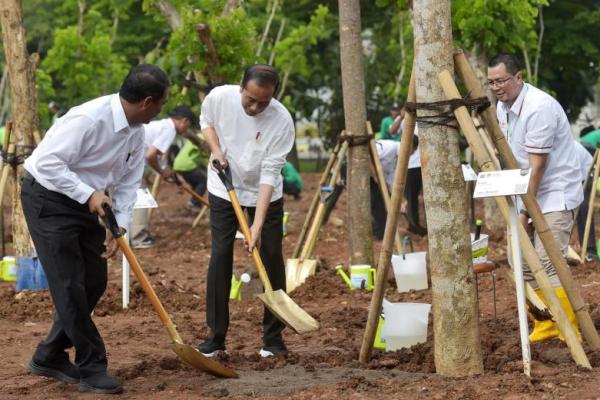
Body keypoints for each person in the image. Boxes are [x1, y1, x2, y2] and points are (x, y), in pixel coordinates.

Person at [21, 64, 169, 394]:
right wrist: (88, 193)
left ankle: (49, 355)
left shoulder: (136, 131)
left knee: (94, 280)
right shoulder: (88, 119)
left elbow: (130, 182)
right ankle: (92, 366)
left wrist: (122, 226)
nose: (162, 109)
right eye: (162, 102)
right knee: (69, 284)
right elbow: (46, 163)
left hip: (88, 201)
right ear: (147, 101)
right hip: (48, 198)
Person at [198, 64, 295, 358]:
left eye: (263, 102)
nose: (255, 107)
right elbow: (207, 122)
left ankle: (273, 339)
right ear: (241, 88)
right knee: (221, 255)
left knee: (271, 258)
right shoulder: (219, 97)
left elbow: (270, 173)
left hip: (265, 194)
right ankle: (215, 338)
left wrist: (257, 225)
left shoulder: (281, 121)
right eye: (250, 99)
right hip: (223, 187)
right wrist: (216, 151)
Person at [488, 53, 582, 342]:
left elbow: (538, 166)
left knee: (548, 260)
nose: (496, 88)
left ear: (519, 77)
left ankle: (568, 329)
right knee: (521, 263)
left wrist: (524, 211)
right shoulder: (502, 108)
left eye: (501, 80)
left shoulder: (539, 108)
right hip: (525, 189)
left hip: (554, 191)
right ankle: (545, 325)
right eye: (491, 82)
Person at [130, 105, 198, 249]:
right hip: (131, 167)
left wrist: (174, 177)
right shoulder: (169, 130)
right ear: (184, 121)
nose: (186, 130)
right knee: (141, 198)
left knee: (124, 200)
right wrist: (161, 172)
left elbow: (160, 160)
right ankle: (139, 238)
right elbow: (151, 156)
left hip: (125, 163)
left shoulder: (161, 126)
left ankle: (123, 235)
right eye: (188, 126)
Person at [173, 131, 211, 210]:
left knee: (196, 184)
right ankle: (193, 202)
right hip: (187, 164)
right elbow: (207, 154)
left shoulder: (200, 135)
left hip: (178, 163)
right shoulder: (206, 137)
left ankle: (197, 205)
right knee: (203, 182)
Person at [574, 140, 596, 261]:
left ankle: (590, 250)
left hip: (584, 178)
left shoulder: (573, 148)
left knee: (583, 209)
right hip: (569, 179)